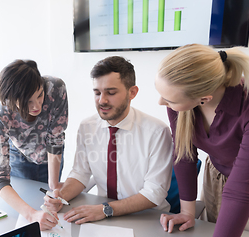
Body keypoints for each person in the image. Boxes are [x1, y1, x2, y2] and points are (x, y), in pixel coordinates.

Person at [155, 44, 249, 237]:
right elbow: (185, 154)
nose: (160, 102)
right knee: (213, 232)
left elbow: (242, 188)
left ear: (204, 98)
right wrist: (188, 212)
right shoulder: (182, 102)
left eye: (168, 99)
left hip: (248, 184)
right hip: (218, 175)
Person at [45, 56, 173, 224]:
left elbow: (154, 192)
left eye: (111, 93)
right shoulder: (87, 126)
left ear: (132, 92)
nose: (102, 100)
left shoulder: (157, 132)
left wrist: (106, 209)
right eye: (97, 93)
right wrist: (60, 196)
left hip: (147, 217)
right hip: (103, 215)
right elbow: (80, 173)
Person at [0, 59, 68, 230]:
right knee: (27, 204)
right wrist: (31, 215)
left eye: (39, 95)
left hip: (52, 154)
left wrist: (54, 187)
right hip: (20, 156)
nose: (37, 106)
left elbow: (55, 138)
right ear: (11, 101)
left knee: (51, 201)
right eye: (27, 102)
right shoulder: (3, 114)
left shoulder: (55, 88)